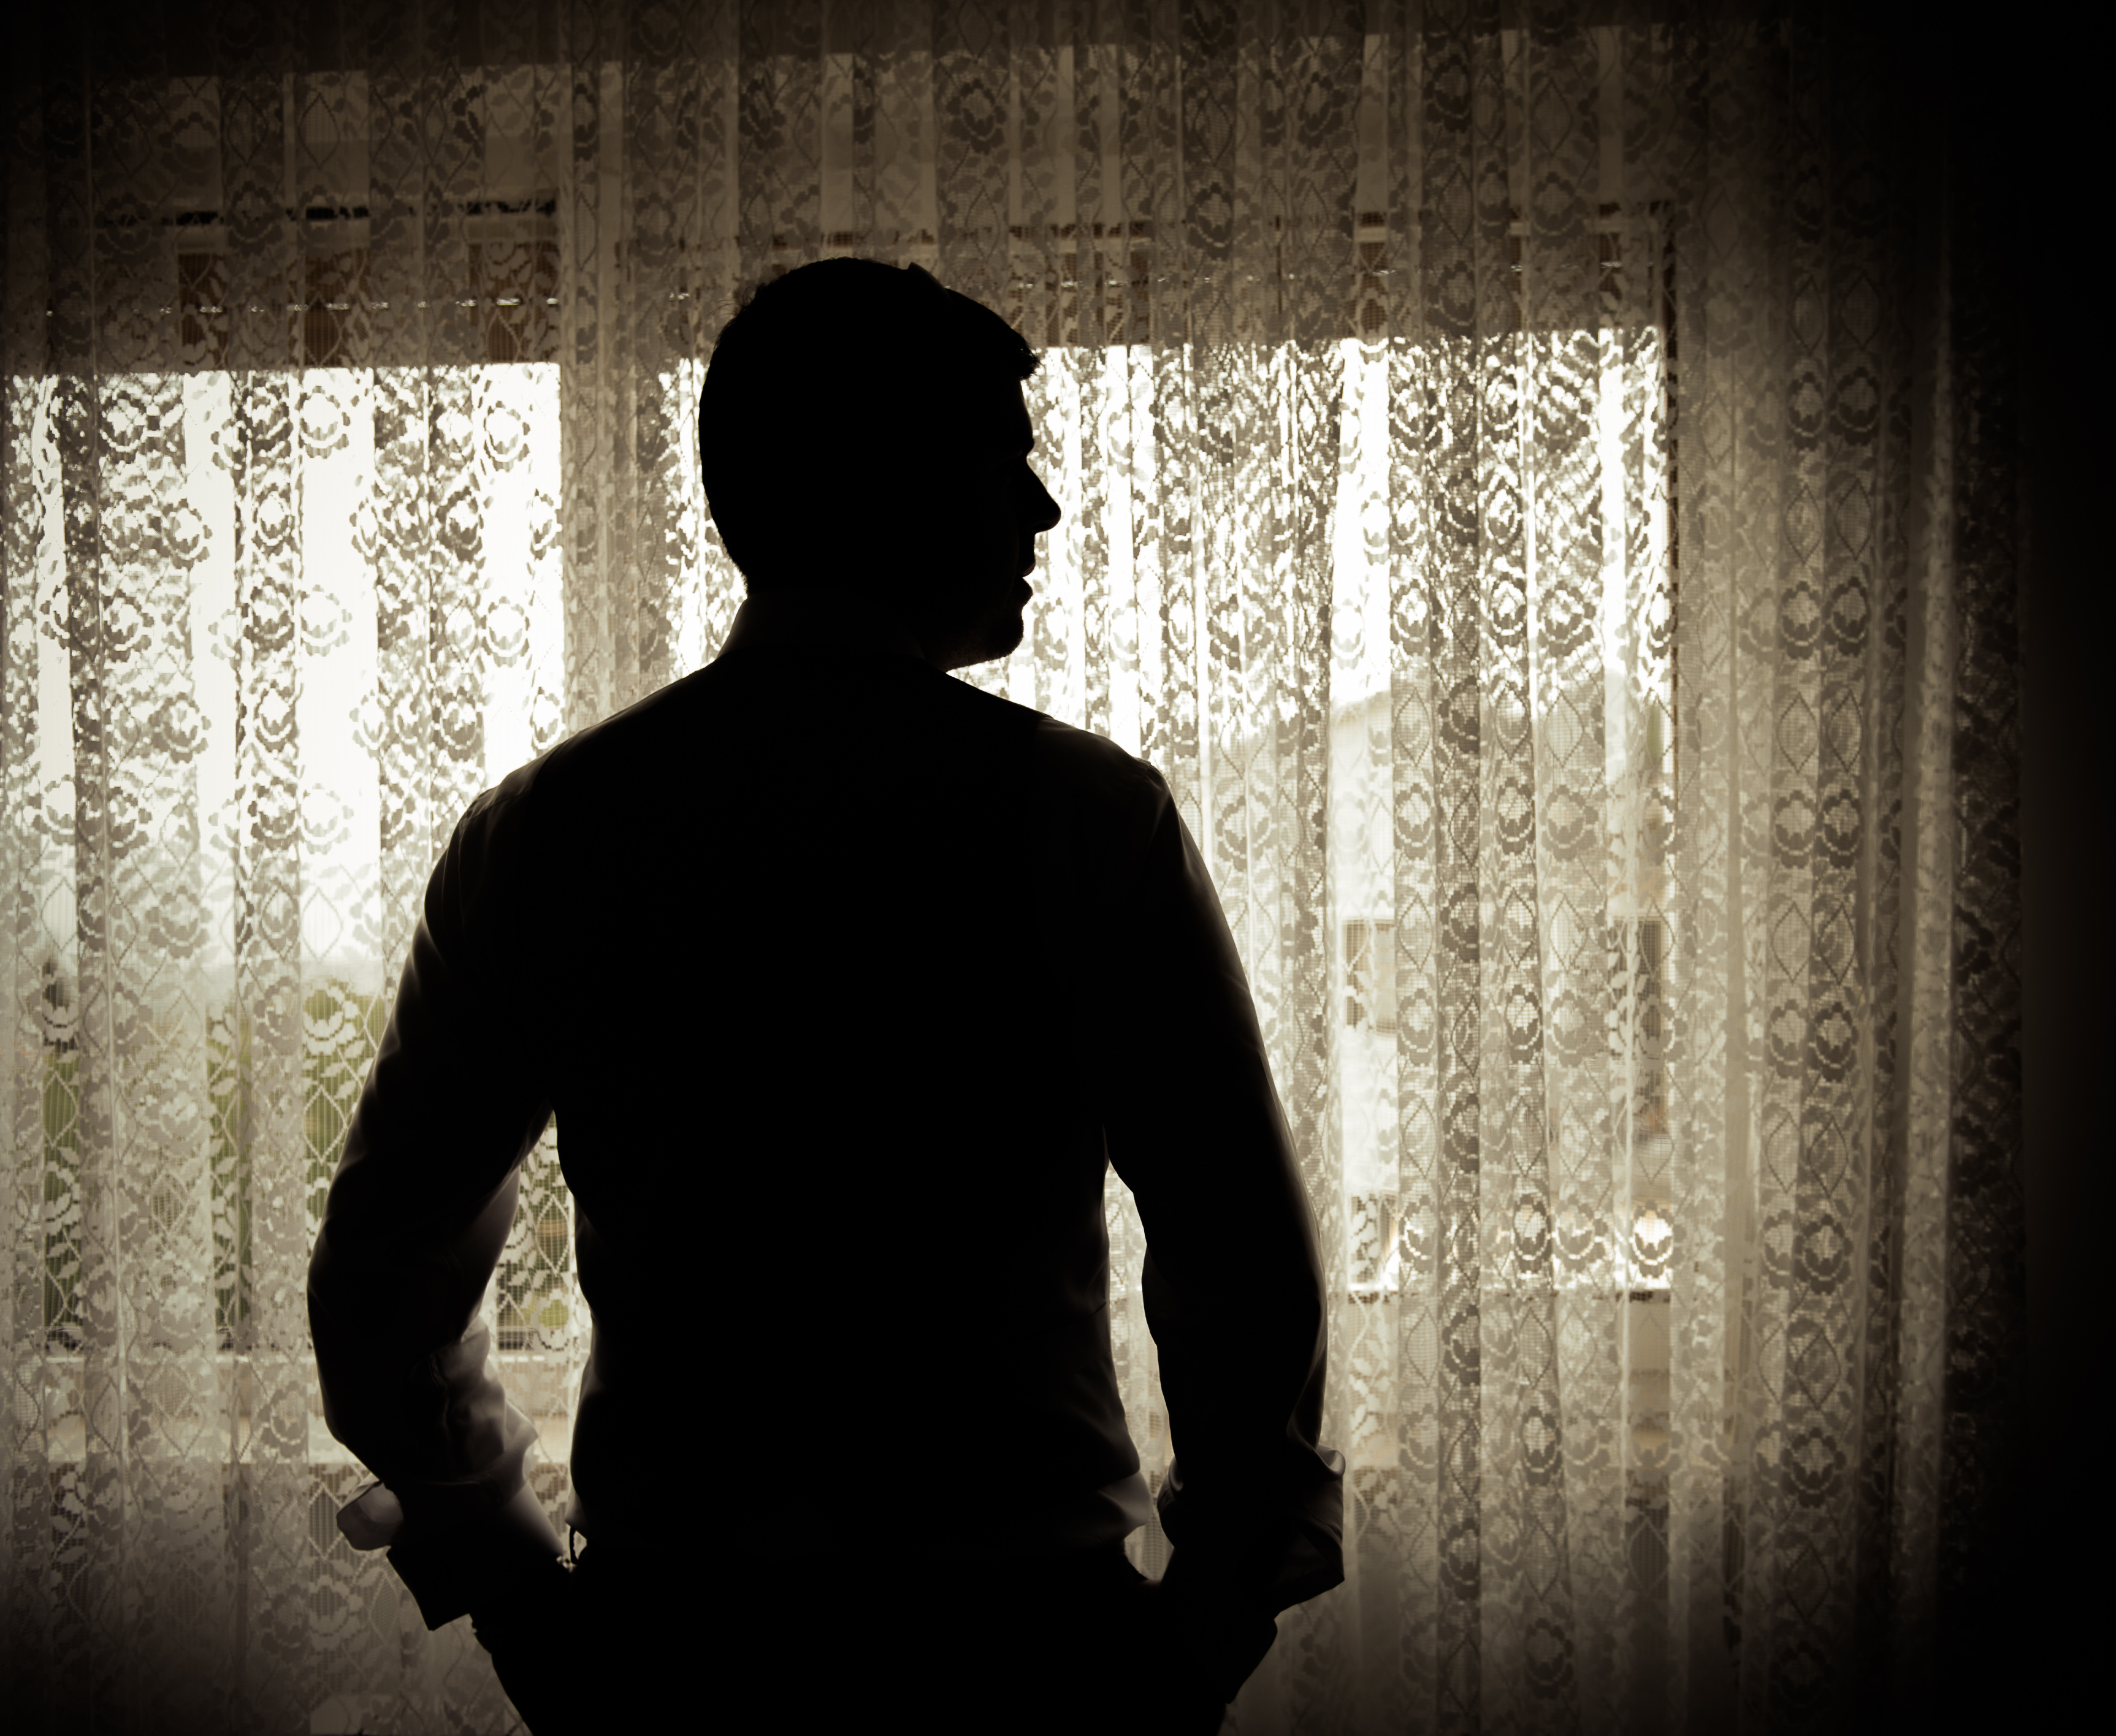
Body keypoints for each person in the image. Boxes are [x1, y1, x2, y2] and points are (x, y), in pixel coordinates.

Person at [306, 258, 1343, 1734]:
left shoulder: (543, 834)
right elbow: (1239, 1263)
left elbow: (383, 1285)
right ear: (899, 481)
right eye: (1006, 462)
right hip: (1027, 1660)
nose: (1045, 510)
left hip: (672, 1663)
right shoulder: (1084, 819)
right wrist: (1211, 1618)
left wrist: (516, 1587)